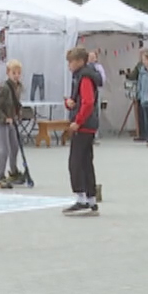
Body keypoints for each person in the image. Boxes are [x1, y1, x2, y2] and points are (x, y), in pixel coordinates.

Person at [63, 47, 100, 217]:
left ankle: (81, 198)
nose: (69, 65)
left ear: (79, 61)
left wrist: (77, 121)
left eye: (70, 61)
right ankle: (91, 199)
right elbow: (82, 100)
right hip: (90, 124)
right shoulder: (86, 75)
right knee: (86, 162)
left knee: (75, 162)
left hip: (83, 125)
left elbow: (88, 102)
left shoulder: (84, 77)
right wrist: (70, 103)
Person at [0, 60, 25, 187]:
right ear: (8, 73)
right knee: (4, 150)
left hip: (12, 121)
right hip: (2, 122)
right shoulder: (4, 88)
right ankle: (0, 175)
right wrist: (4, 118)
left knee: (14, 147)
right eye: (14, 73)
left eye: (18, 73)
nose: (16, 75)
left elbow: (15, 104)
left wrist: (17, 115)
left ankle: (13, 171)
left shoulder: (18, 87)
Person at [134, 50, 148, 143]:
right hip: (143, 97)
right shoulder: (141, 71)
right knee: (145, 117)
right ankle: (147, 135)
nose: (143, 61)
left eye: (144, 59)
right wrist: (138, 94)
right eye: (143, 60)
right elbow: (140, 83)